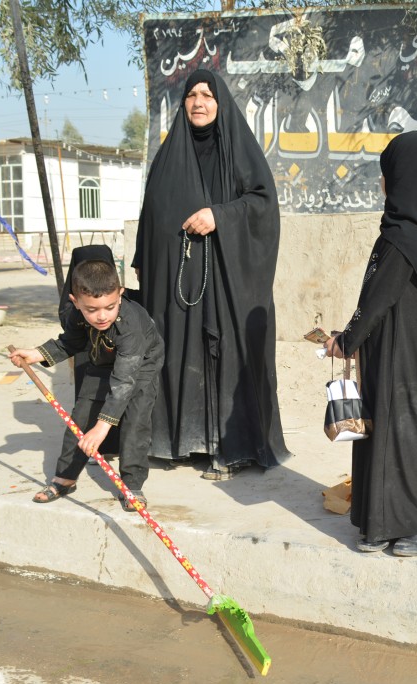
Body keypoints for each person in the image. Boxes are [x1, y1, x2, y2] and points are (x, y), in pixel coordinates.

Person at [131, 69, 289, 480]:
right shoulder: (168, 157)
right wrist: (143, 258)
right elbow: (150, 215)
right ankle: (179, 441)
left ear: (220, 103)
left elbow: (263, 204)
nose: (198, 102)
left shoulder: (238, 150)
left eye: (207, 95)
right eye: (191, 95)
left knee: (224, 353)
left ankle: (229, 449)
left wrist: (219, 216)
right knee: (176, 352)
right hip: (175, 284)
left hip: (224, 279)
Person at [323, 131, 417, 557]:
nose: (382, 182)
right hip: (387, 346)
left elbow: (378, 298)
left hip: (402, 350)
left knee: (405, 424)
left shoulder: (405, 236)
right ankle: (380, 520)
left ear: (403, 178)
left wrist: (346, 339)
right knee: (383, 424)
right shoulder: (405, 231)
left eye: (386, 173)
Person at [8, 258, 164, 509]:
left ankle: (132, 485)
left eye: (110, 307)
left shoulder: (130, 326)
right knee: (80, 419)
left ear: (120, 294)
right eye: (91, 310)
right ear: (76, 302)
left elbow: (124, 381)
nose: (102, 316)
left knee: (135, 424)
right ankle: (65, 478)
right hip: (101, 362)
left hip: (140, 367)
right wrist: (35, 354)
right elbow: (69, 343)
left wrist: (102, 427)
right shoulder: (76, 315)